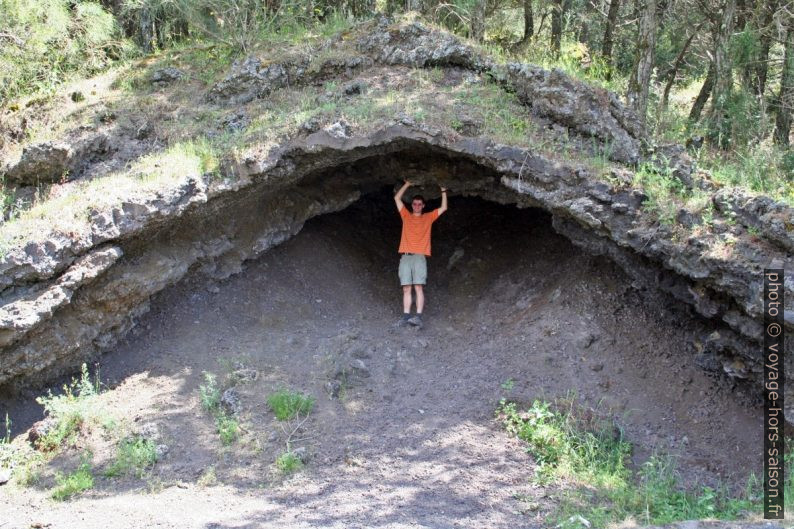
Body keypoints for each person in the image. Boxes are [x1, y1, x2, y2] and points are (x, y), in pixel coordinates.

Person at [393, 180, 448, 327]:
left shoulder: (428, 217)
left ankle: (418, 317)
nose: (416, 206)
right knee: (406, 288)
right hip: (405, 256)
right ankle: (405, 317)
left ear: (423, 206)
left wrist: (443, 191)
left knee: (418, 287)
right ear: (412, 205)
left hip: (419, 257)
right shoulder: (406, 215)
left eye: (419, 204)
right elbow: (397, 199)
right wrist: (407, 184)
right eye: (414, 204)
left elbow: (443, 208)